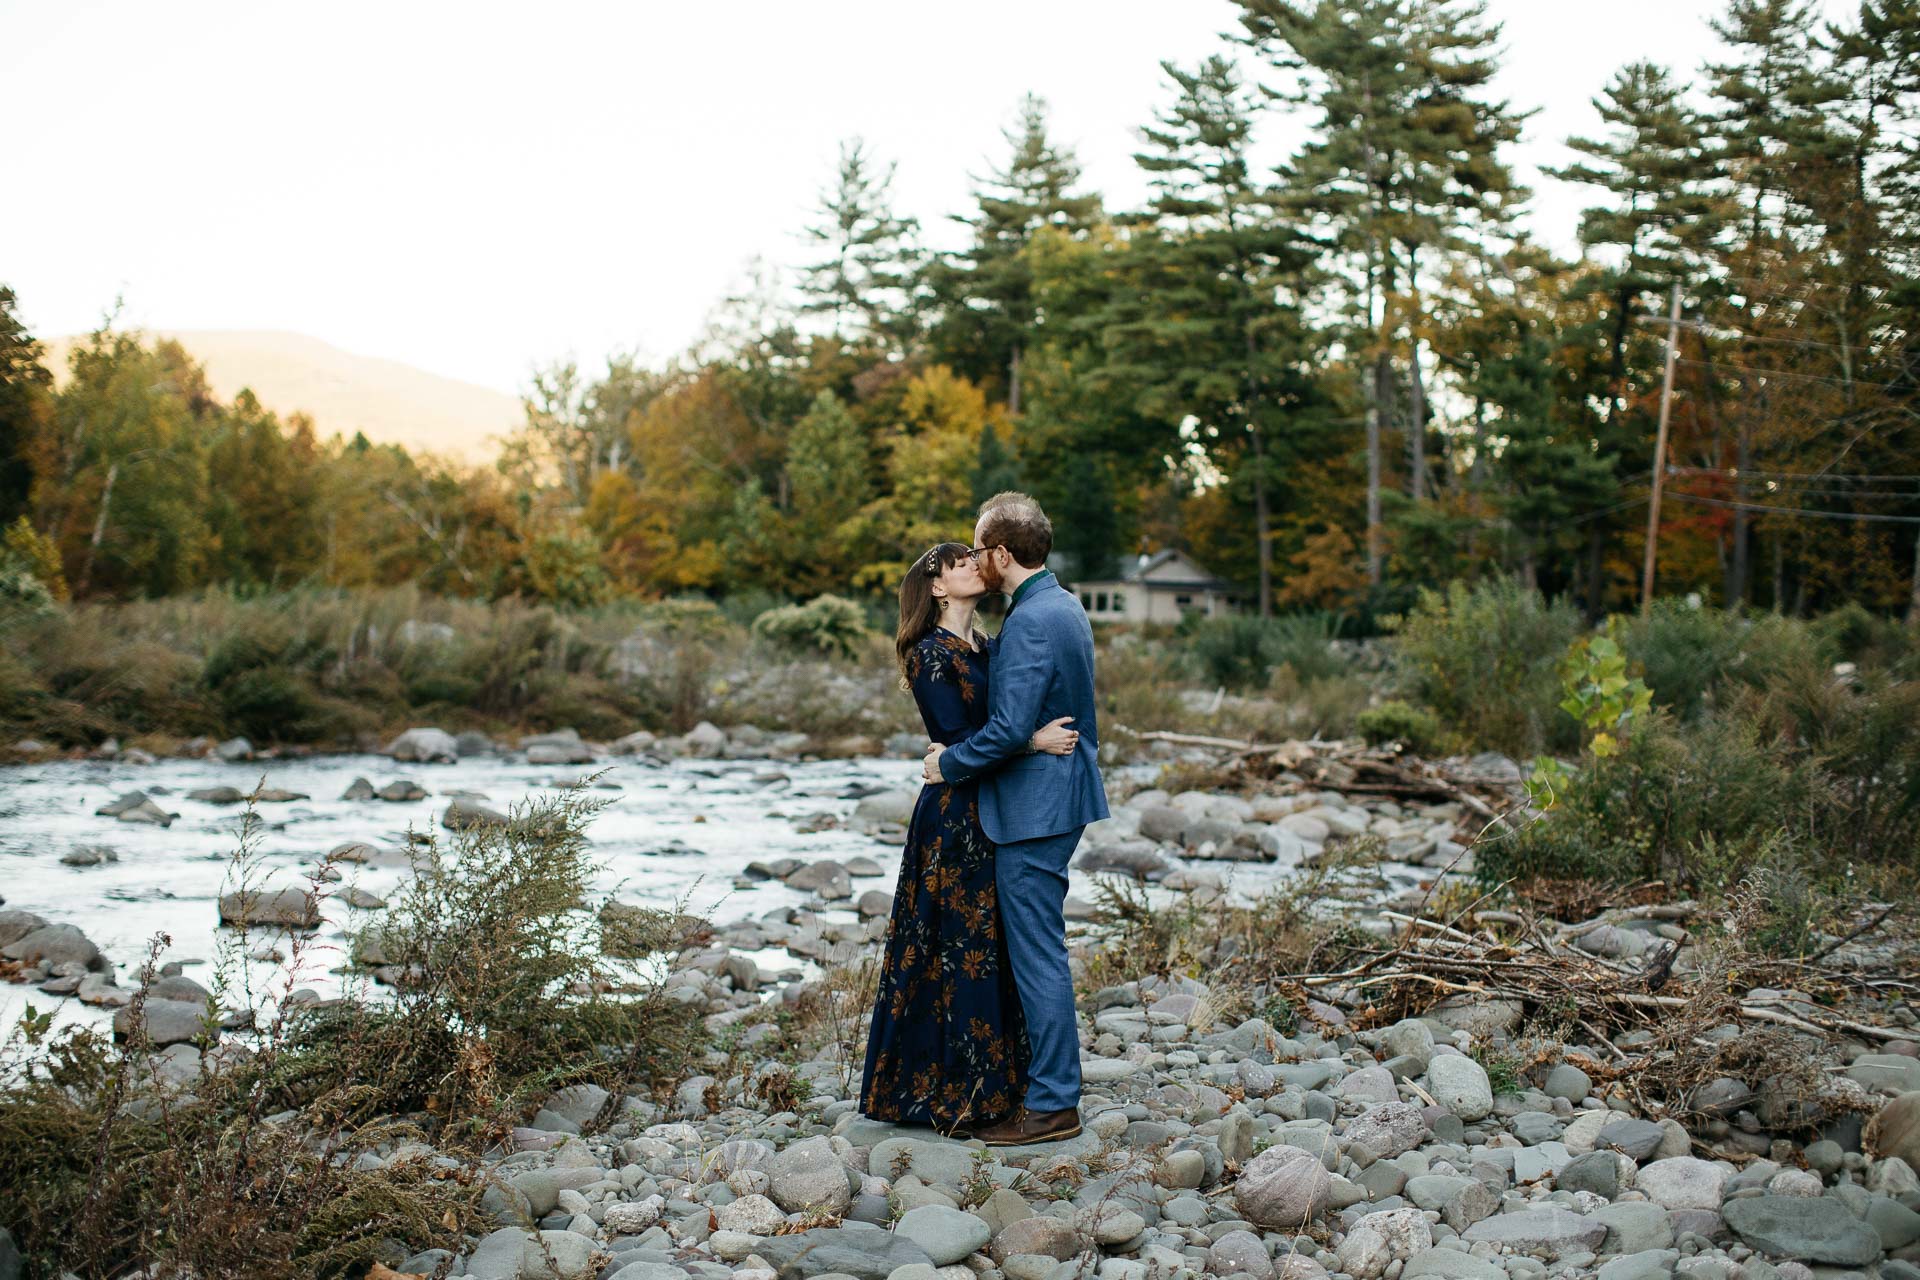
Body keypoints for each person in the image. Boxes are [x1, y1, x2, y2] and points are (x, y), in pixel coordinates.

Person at [858, 541, 1081, 1137]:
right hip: (955, 814)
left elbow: (1007, 716)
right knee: (951, 948)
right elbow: (960, 738)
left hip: (995, 805)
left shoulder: (990, 644)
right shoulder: (929, 655)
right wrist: (1030, 742)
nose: (969, 565)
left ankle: (999, 1084)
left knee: (989, 948)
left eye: (971, 557)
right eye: (955, 562)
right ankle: (944, 1091)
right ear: (935, 587)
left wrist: (1021, 735)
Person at [923, 491, 1109, 1146]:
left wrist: (948, 766)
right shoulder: (1057, 605)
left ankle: (1054, 1103)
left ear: (1002, 553)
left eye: (979, 549)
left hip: (1035, 807)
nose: (975, 559)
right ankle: (1037, 1087)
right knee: (1038, 950)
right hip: (1055, 796)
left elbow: (1005, 728)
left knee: (1037, 956)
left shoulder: (1033, 620)